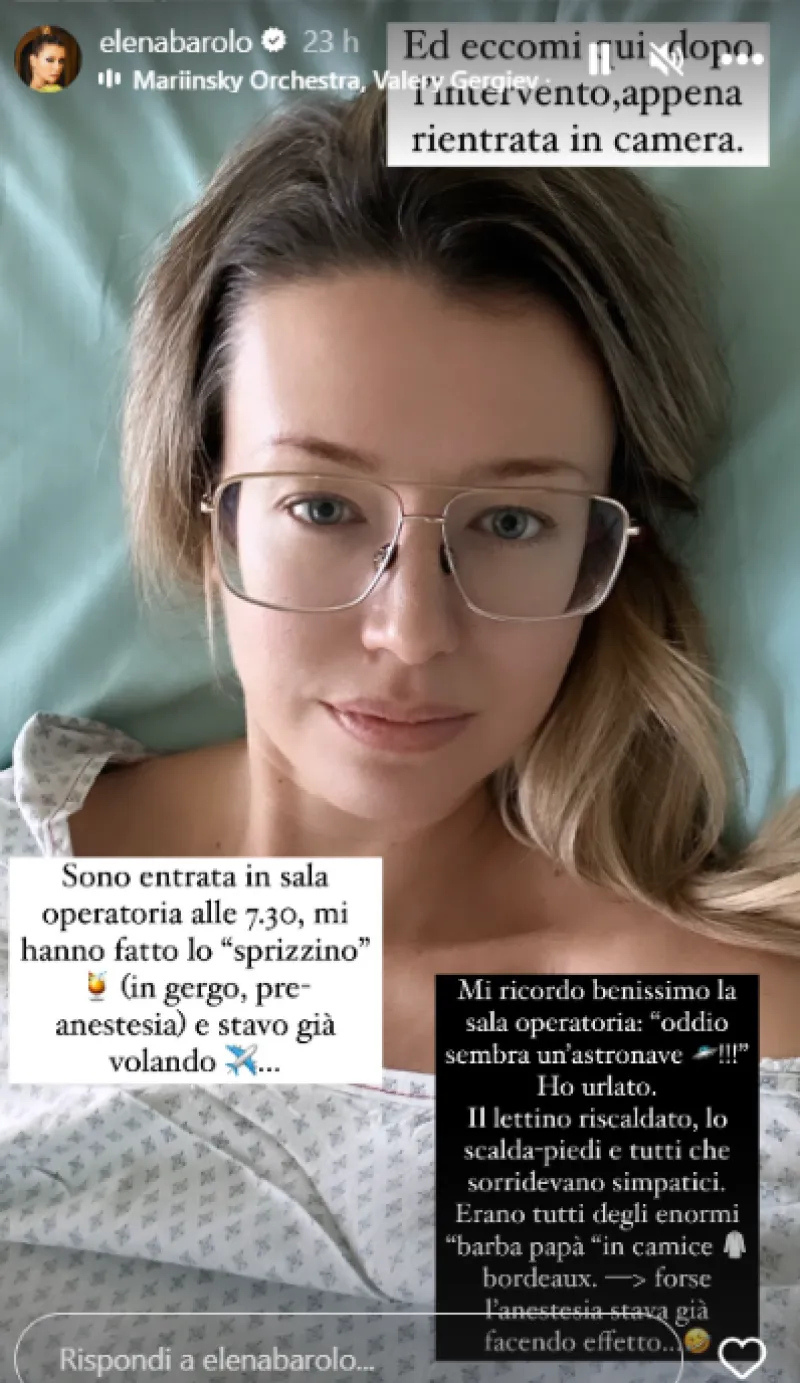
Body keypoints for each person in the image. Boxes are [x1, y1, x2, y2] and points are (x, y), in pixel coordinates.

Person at [0, 85, 798, 1376]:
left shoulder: (691, 1033)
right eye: (323, 507)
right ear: (205, 506)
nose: (412, 632)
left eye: (512, 521)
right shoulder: (30, 897)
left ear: (607, 554)